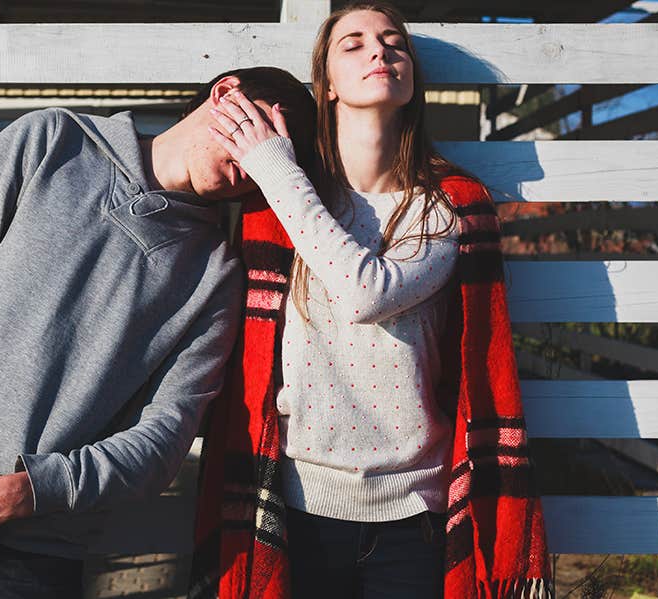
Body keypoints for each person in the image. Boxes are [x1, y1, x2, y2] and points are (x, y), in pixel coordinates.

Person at [0, 66, 317, 599]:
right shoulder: (52, 140)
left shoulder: (216, 277)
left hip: (37, 538)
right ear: (226, 92)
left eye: (278, 158)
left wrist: (16, 494)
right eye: (259, 132)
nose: (256, 162)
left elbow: (162, 441)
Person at [191, 4, 552, 598]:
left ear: (412, 80)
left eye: (393, 44)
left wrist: (276, 170)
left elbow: (367, 292)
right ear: (326, 85)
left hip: (415, 518)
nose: (379, 52)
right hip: (295, 506)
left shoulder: (449, 204)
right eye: (353, 44)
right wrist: (279, 174)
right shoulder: (277, 204)